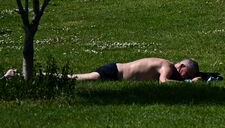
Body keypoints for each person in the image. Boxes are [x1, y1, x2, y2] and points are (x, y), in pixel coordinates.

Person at [3, 57, 202, 82]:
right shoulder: (167, 66)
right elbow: (164, 83)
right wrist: (188, 83)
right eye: (187, 74)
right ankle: (19, 75)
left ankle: (21, 76)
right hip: (113, 72)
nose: (185, 76)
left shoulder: (167, 65)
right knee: (73, 79)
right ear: (181, 66)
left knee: (73, 78)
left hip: (115, 73)